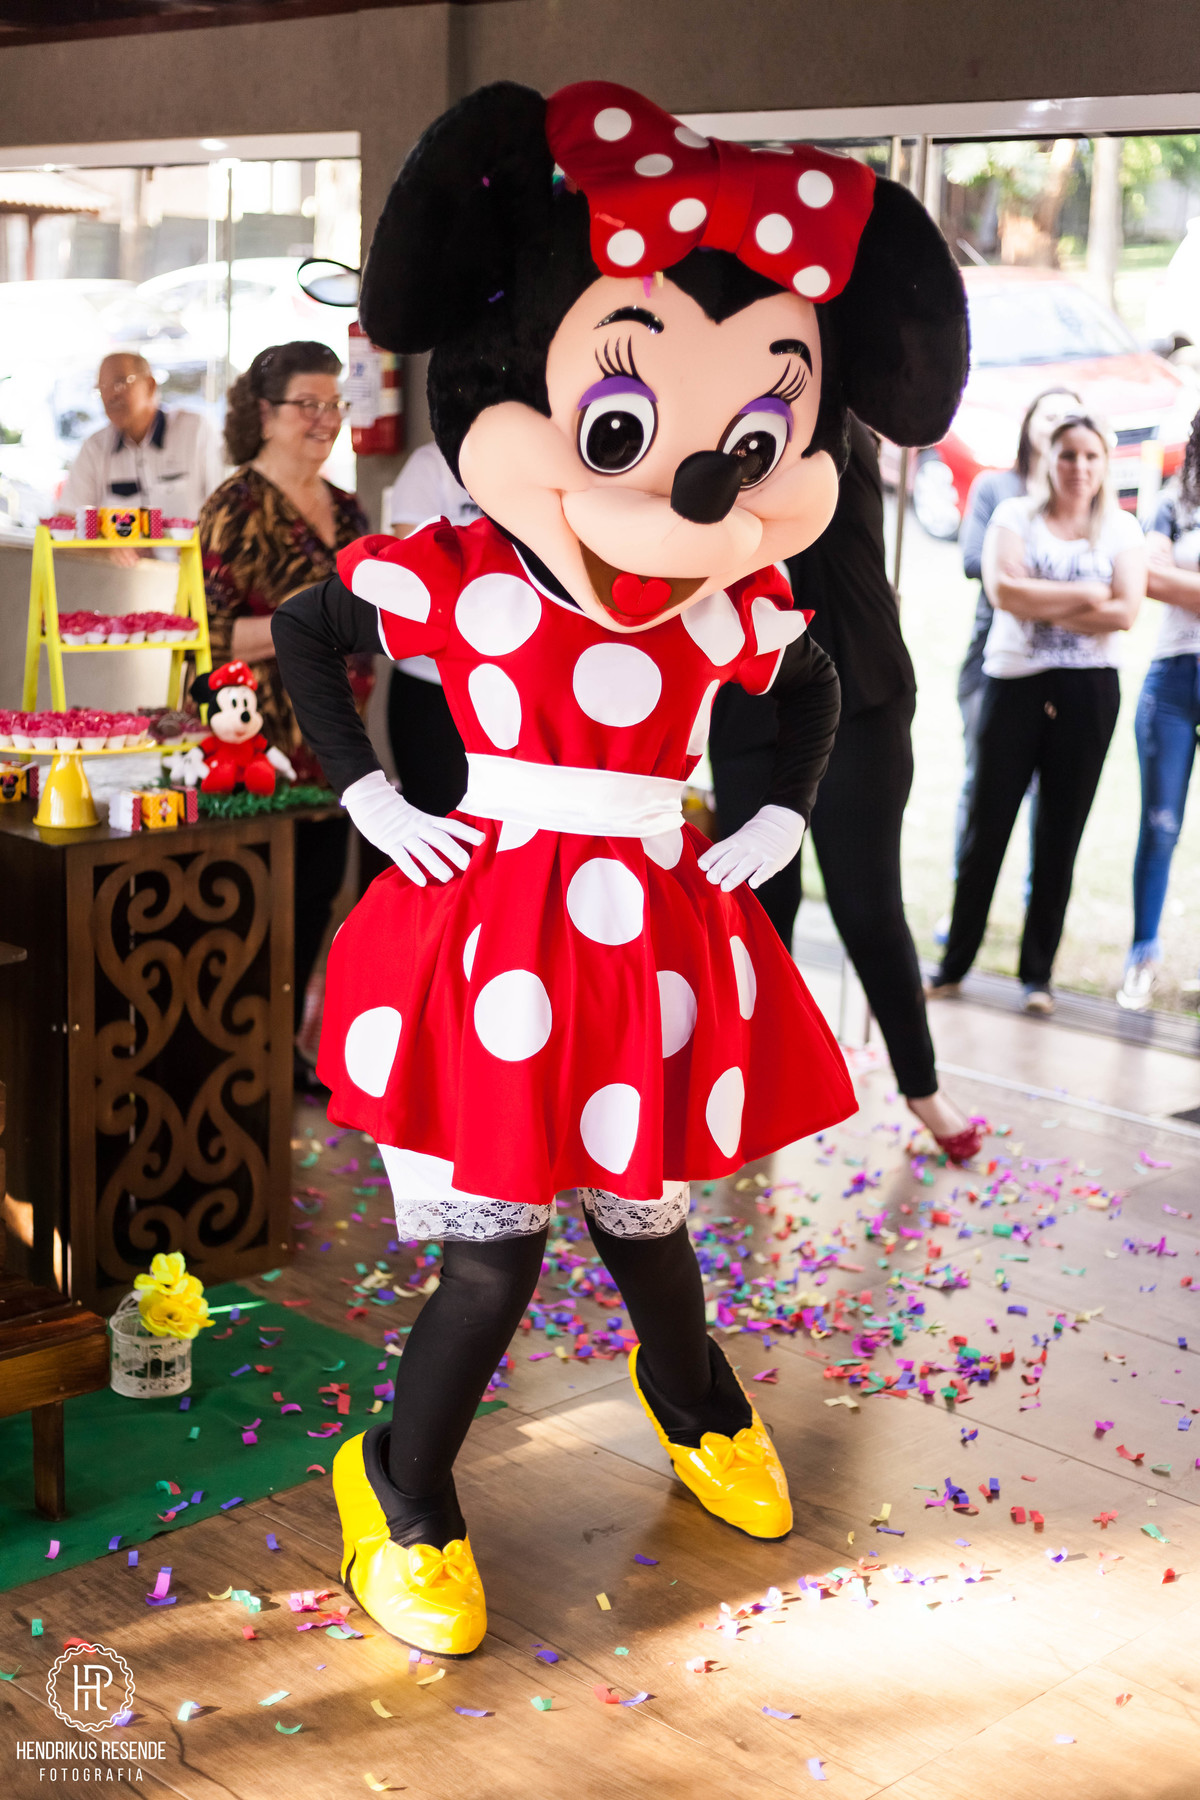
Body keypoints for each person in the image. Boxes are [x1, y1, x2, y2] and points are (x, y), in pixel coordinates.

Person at [271, 79, 967, 1660]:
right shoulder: (465, 575)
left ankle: (691, 1395)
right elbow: (317, 630)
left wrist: (776, 806)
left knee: (647, 1222)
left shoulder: (728, 602)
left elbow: (802, 683)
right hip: (502, 931)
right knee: (498, 1246)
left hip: (647, 928)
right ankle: (401, 1481)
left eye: (752, 436)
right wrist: (370, 795)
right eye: (636, 426)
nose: (697, 488)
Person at [709, 416, 981, 1163]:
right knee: (759, 913)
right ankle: (752, 1088)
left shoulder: (826, 425)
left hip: (857, 689)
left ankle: (921, 1086)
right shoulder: (698, 424)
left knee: (867, 908)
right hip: (749, 700)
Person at [928, 414, 1146, 1014]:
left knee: (1059, 834)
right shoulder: (1013, 516)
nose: (1079, 468)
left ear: (1106, 465)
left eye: (1091, 457)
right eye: (1068, 455)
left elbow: (1126, 611)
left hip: (1089, 692)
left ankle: (1037, 977)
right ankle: (953, 965)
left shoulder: (1123, 530)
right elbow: (1004, 593)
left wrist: (1043, 602)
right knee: (986, 827)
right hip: (1013, 686)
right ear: (1048, 459)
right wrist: (1087, 596)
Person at [199, 341, 371, 1081]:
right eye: (309, 404)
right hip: (255, 746)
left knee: (317, 892)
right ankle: (241, 1053)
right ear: (266, 414)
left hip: (336, 737)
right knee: (251, 904)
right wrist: (309, 630)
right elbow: (210, 635)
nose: (325, 419)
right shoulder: (234, 506)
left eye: (335, 404)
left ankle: (289, 1051)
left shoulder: (349, 508)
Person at [949, 387, 1083, 888]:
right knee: (977, 776)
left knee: (1046, 791)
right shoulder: (996, 489)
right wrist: (1063, 585)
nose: (1057, 424)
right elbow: (973, 562)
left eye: (1068, 416)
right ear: (1029, 423)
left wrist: (1021, 577)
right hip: (992, 654)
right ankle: (963, 887)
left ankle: (1034, 892)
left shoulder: (1081, 496)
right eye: (1049, 415)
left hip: (1061, 661)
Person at [1118, 404, 1200, 1011]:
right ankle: (1142, 954)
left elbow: (1165, 576)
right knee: (1160, 826)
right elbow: (1144, 577)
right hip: (1171, 680)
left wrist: (1179, 580)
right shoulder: (1175, 503)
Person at [60, 351, 222, 559]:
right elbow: (66, 522)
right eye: (102, 389)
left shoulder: (196, 431)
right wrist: (106, 548)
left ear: (150, 385)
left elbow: (225, 510)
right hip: (124, 581)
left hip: (191, 576)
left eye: (120, 383)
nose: (111, 396)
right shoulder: (95, 448)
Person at [384, 441, 474, 816]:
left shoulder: (542, 460)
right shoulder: (432, 463)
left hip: (516, 684)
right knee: (439, 827)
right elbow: (417, 569)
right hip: (431, 684)